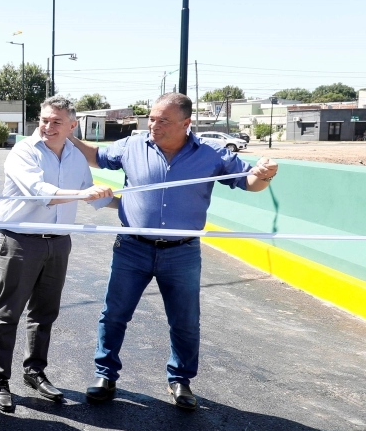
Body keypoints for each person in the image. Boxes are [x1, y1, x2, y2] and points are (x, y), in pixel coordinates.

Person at [70, 93, 278, 410]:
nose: (154, 124)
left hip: (181, 253)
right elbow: (96, 156)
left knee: (184, 321)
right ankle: (105, 375)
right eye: (152, 118)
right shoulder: (131, 146)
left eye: (163, 120)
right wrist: (65, 134)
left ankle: (180, 381)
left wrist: (266, 174)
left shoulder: (211, 154)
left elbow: (250, 182)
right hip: (132, 248)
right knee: (113, 315)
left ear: (186, 123)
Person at [0, 96, 113, 413]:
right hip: (21, 242)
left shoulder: (74, 157)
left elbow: (94, 197)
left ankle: (34, 372)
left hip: (58, 243)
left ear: (73, 126)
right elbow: (39, 191)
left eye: (56, 122)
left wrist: (137, 207)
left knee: (45, 313)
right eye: (44, 119)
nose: (47, 126)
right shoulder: (23, 152)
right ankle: (0, 380)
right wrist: (84, 194)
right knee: (8, 313)